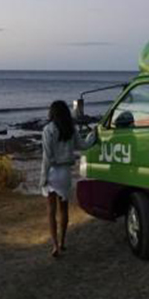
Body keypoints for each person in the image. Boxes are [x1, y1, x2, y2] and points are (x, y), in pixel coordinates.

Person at [40, 100, 97, 257]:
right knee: (63, 209)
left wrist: (43, 178)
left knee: (51, 211)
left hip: (51, 172)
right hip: (64, 173)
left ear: (52, 113)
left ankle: (55, 246)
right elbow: (84, 145)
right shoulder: (70, 129)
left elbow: (47, 157)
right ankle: (63, 242)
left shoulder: (48, 130)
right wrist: (94, 135)